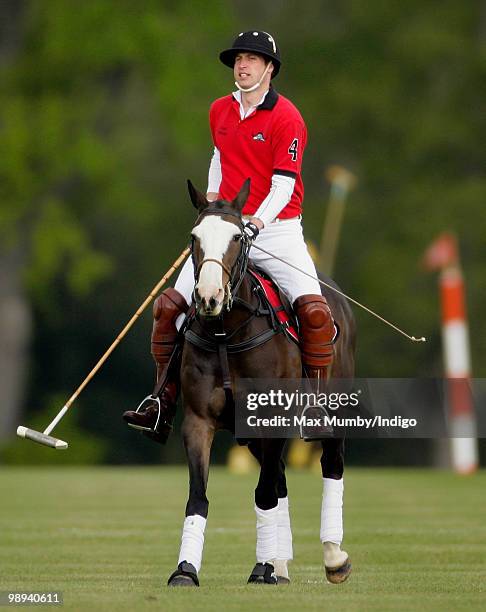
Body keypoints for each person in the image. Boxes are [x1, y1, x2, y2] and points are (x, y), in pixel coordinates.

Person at [123, 30, 335, 443]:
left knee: (314, 313)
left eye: (252, 59)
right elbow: (219, 160)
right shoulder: (219, 109)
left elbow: (284, 185)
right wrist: (213, 210)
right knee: (169, 309)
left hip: (276, 231)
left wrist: (254, 223)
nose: (242, 65)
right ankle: (161, 402)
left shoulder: (287, 117)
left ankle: (315, 404)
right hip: (225, 231)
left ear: (269, 69)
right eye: (238, 59)